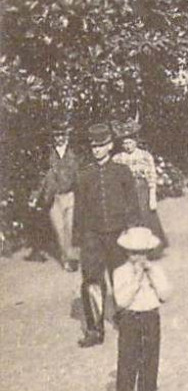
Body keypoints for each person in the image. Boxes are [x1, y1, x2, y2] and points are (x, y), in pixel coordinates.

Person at [72, 123, 143, 347]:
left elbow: (133, 204)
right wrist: (78, 239)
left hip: (118, 233)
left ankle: (127, 320)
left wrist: (135, 231)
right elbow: (79, 208)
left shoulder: (122, 172)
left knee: (122, 277)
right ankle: (95, 330)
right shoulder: (84, 174)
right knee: (92, 279)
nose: (97, 150)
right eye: (93, 146)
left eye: (101, 145)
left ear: (110, 146)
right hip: (92, 234)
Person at [108, 226, 173, 391]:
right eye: (134, 253)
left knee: (149, 368)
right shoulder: (120, 273)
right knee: (127, 369)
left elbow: (165, 294)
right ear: (127, 253)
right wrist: (136, 279)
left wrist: (151, 274)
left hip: (151, 319)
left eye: (143, 252)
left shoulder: (155, 270)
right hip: (130, 321)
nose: (138, 258)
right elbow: (122, 301)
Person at [31, 120, 79, 271]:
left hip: (70, 195)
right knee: (59, 229)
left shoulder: (74, 152)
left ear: (67, 136)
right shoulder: (47, 154)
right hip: (53, 197)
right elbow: (41, 176)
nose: (59, 138)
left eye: (62, 135)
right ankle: (66, 259)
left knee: (69, 229)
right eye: (56, 135)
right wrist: (34, 196)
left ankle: (69, 258)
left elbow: (80, 174)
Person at [112, 119, 167, 249]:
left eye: (130, 143)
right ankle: (130, 248)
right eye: (125, 143)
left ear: (135, 142)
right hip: (126, 192)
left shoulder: (145, 156)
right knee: (128, 219)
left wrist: (152, 197)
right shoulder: (118, 158)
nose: (127, 146)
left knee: (145, 217)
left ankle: (151, 248)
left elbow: (151, 176)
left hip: (142, 190)